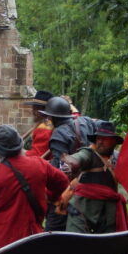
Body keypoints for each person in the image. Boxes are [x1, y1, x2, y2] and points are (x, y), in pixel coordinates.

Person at [0, 125, 69, 254]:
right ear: (20, 144)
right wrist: (50, 197)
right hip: (31, 239)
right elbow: (62, 181)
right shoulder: (40, 165)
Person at [62, 121, 128, 234]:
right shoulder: (89, 153)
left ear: (114, 141)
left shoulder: (118, 158)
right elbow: (79, 157)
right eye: (98, 138)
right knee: (75, 244)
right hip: (81, 210)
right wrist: (71, 163)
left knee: (108, 248)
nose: (100, 142)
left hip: (108, 213)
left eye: (105, 139)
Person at [39, 96, 96, 231]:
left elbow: (59, 171)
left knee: (53, 233)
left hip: (68, 190)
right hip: (88, 184)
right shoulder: (87, 121)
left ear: (53, 118)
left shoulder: (59, 133)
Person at [22, 90, 54, 158]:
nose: (32, 111)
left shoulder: (44, 127)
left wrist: (18, 152)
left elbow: (37, 155)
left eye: (35, 108)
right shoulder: (43, 124)